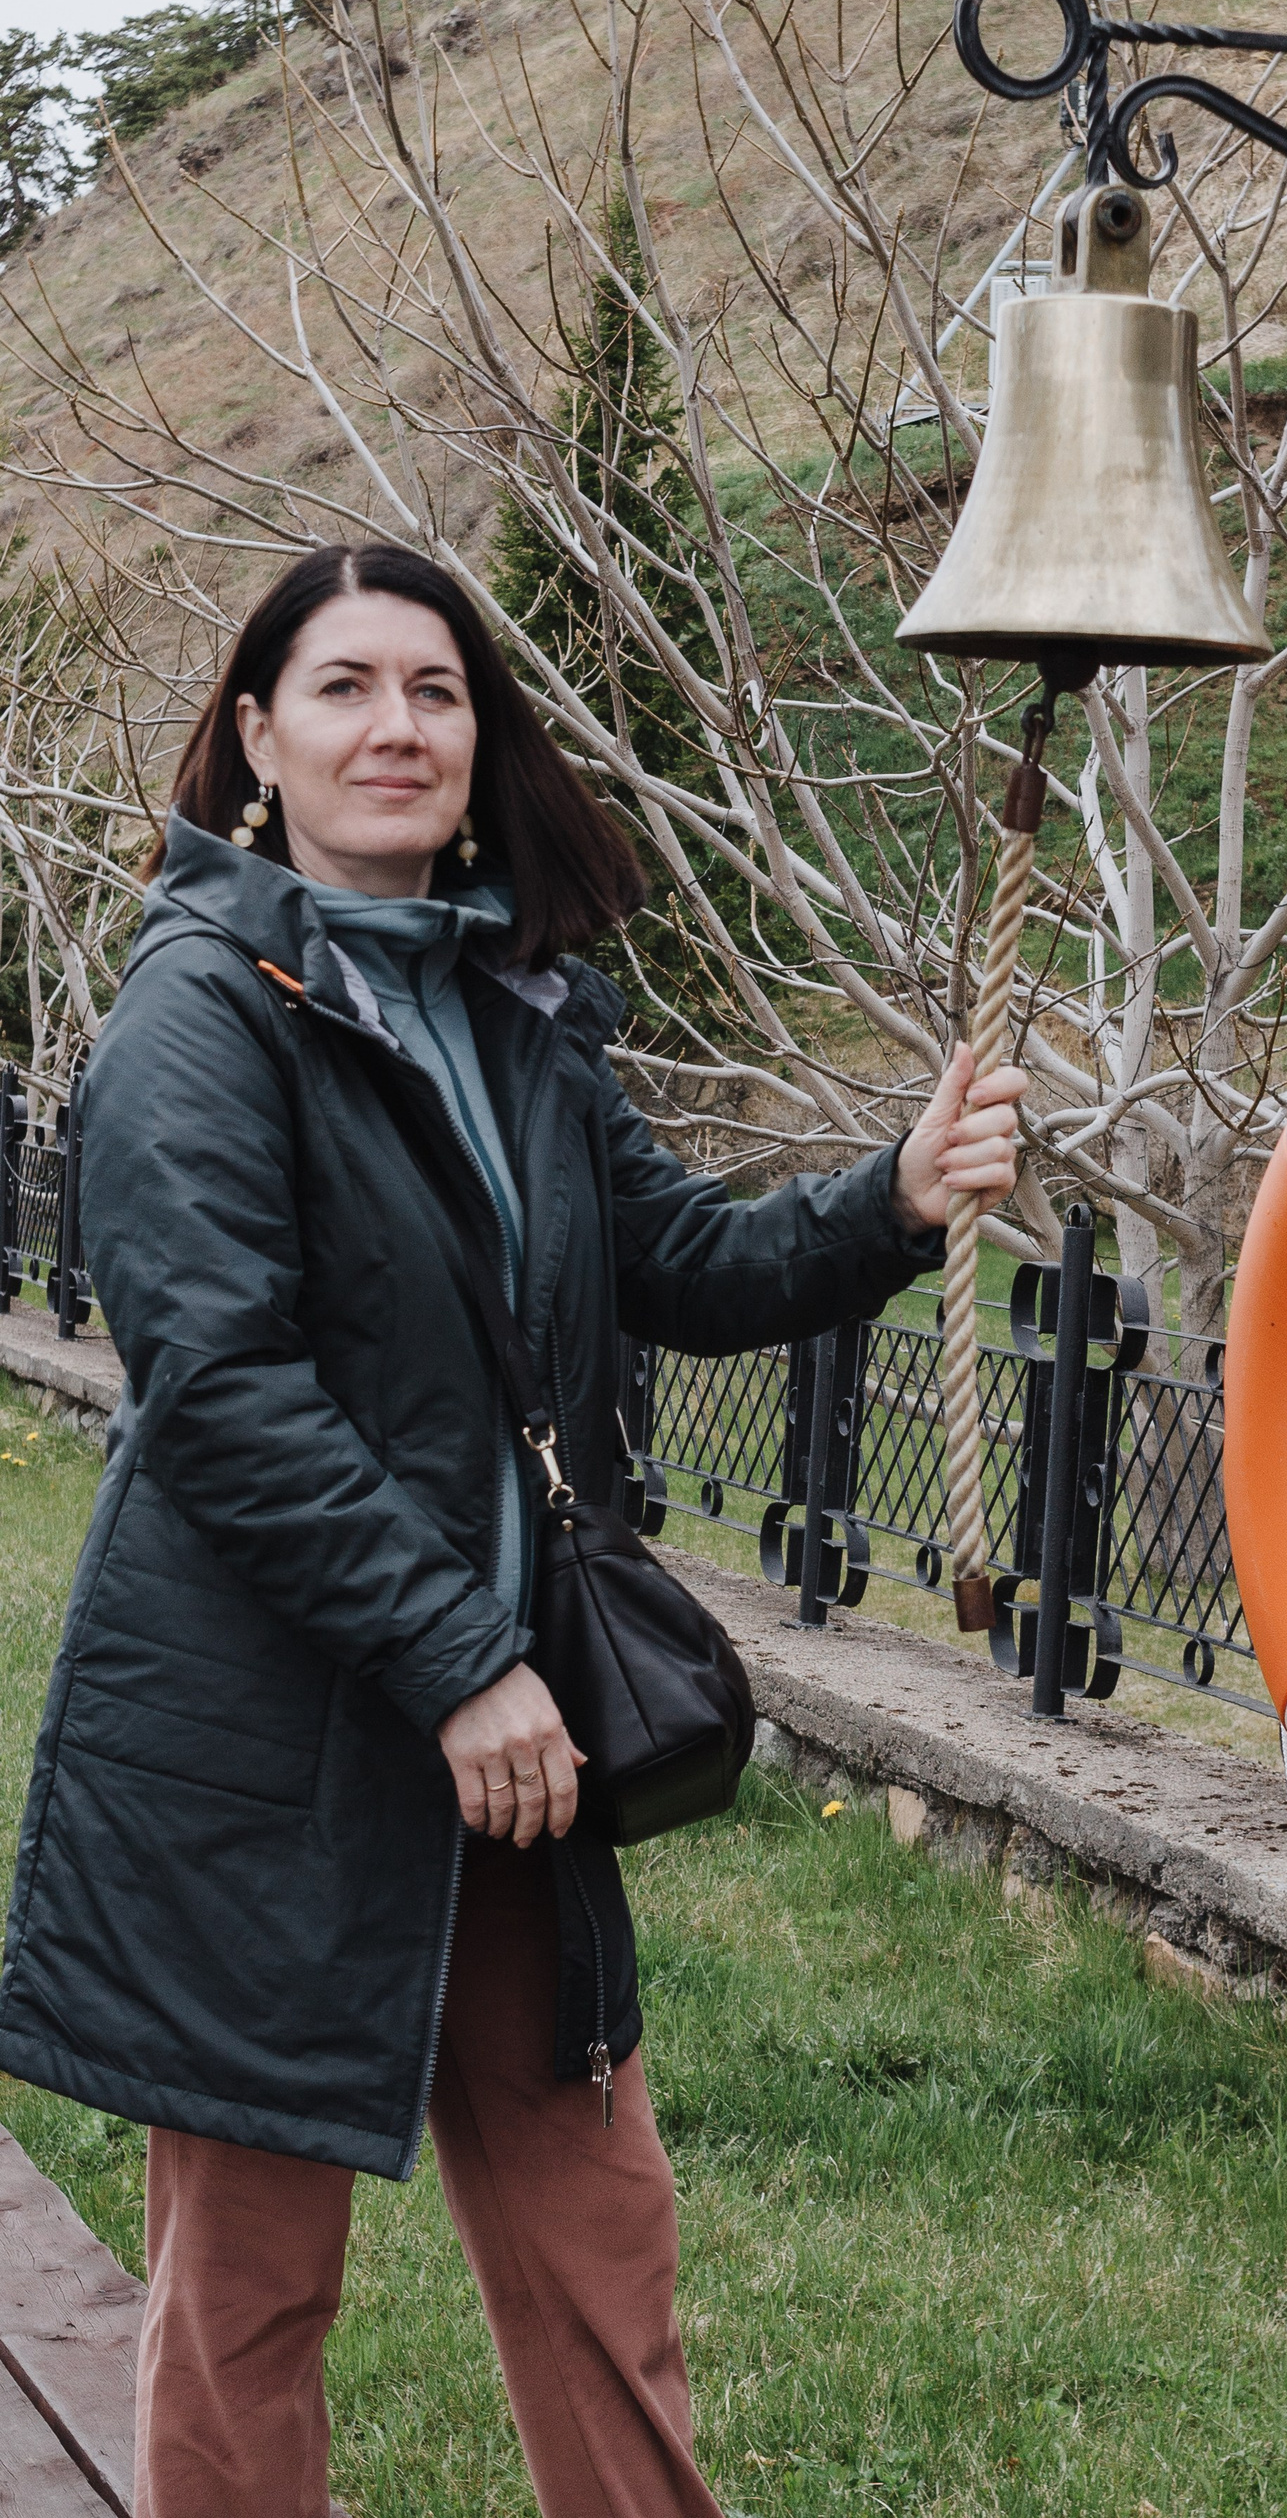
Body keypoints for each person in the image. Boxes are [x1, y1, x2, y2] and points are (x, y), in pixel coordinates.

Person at [0, 542, 1025, 2518]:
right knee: (250, 2292)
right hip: (274, 1754)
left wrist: (890, 1197)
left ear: (480, 740)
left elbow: (680, 1260)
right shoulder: (200, 1014)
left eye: (437, 689)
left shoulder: (517, 1009)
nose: (396, 725)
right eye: (346, 687)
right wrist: (462, 1662)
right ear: (257, 739)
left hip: (513, 1758)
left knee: (598, 2252)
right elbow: (223, 1392)